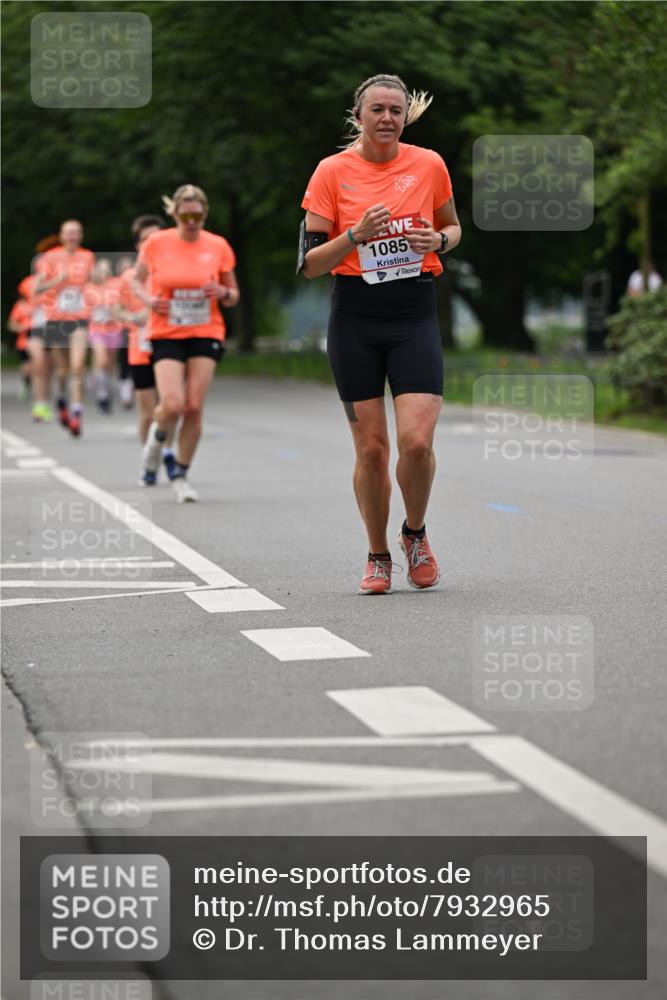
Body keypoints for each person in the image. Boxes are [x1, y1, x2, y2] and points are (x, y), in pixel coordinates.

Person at [300, 73, 461, 594]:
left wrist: (438, 238)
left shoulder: (429, 164)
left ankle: (415, 533)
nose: (387, 118)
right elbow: (309, 264)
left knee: (415, 442)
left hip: (414, 312)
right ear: (358, 116)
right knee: (371, 450)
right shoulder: (331, 172)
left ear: (404, 116)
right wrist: (355, 235)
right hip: (355, 319)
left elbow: (453, 227)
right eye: (377, 110)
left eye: (395, 110)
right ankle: (377, 554)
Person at [133, 185, 239, 502]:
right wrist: (150, 300)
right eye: (185, 215)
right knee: (173, 403)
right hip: (167, 332)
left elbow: (233, 295)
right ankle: (155, 443)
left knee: (193, 407)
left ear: (204, 214)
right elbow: (135, 280)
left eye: (197, 215)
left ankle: (180, 473)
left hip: (206, 330)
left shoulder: (218, 245)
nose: (191, 221)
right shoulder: (156, 242)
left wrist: (222, 294)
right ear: (174, 214)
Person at [116, 214, 176, 483]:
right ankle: (149, 460)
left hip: (171, 346)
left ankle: (169, 454)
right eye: (144, 239)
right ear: (138, 244)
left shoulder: (175, 271)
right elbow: (116, 308)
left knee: (171, 407)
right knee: (148, 412)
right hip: (140, 349)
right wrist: (131, 318)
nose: (150, 243)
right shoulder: (129, 278)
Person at [33, 220, 95, 436]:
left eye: (77, 232)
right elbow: (36, 287)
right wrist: (57, 280)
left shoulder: (87, 256)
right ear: (61, 236)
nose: (73, 236)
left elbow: (91, 283)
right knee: (63, 370)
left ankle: (76, 413)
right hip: (56, 319)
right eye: (69, 233)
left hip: (79, 318)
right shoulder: (50, 257)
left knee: (78, 366)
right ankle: (61, 399)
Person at [84, 257, 124, 413]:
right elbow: (84, 309)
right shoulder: (87, 288)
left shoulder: (115, 285)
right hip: (96, 329)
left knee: (110, 363)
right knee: (101, 359)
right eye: (100, 269)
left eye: (106, 269)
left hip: (114, 329)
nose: (103, 273)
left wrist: (115, 310)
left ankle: (105, 386)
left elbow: (123, 302)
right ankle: (102, 394)